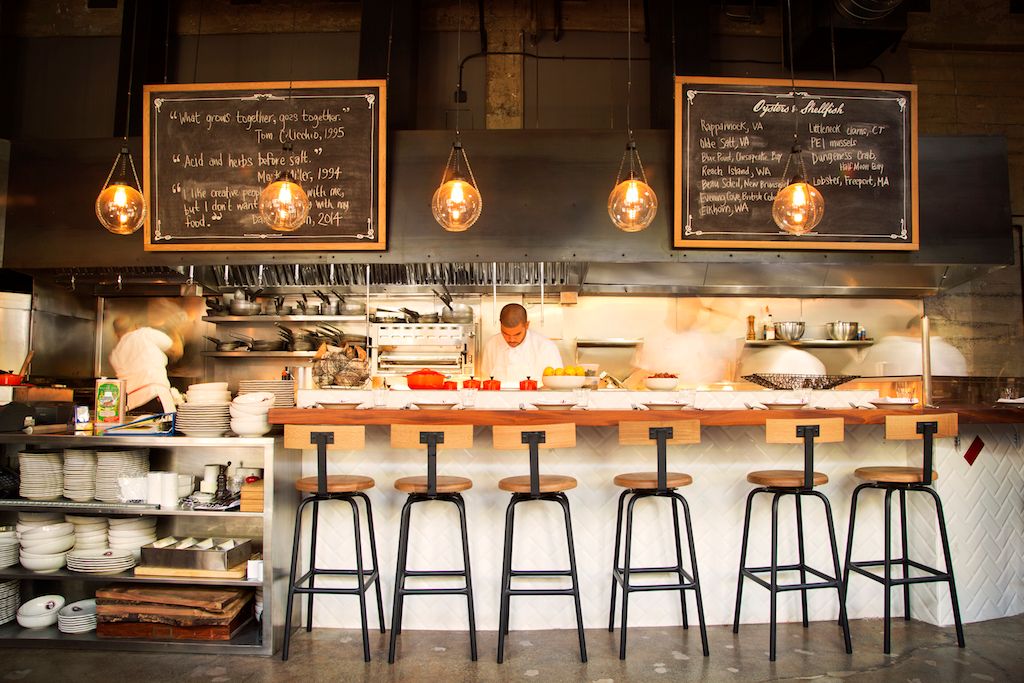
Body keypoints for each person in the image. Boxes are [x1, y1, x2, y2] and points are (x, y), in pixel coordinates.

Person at [109, 317, 183, 413]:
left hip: (131, 404)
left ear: (116, 334)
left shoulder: (115, 354)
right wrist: (175, 330)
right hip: (154, 395)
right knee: (165, 427)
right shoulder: (144, 333)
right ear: (135, 326)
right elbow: (176, 350)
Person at [480, 303, 563, 384]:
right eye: (505, 333)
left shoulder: (546, 347)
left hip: (537, 398)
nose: (511, 339)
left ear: (527, 325)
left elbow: (556, 384)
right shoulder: (491, 345)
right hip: (496, 398)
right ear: (500, 324)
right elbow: (485, 380)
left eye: (517, 334)